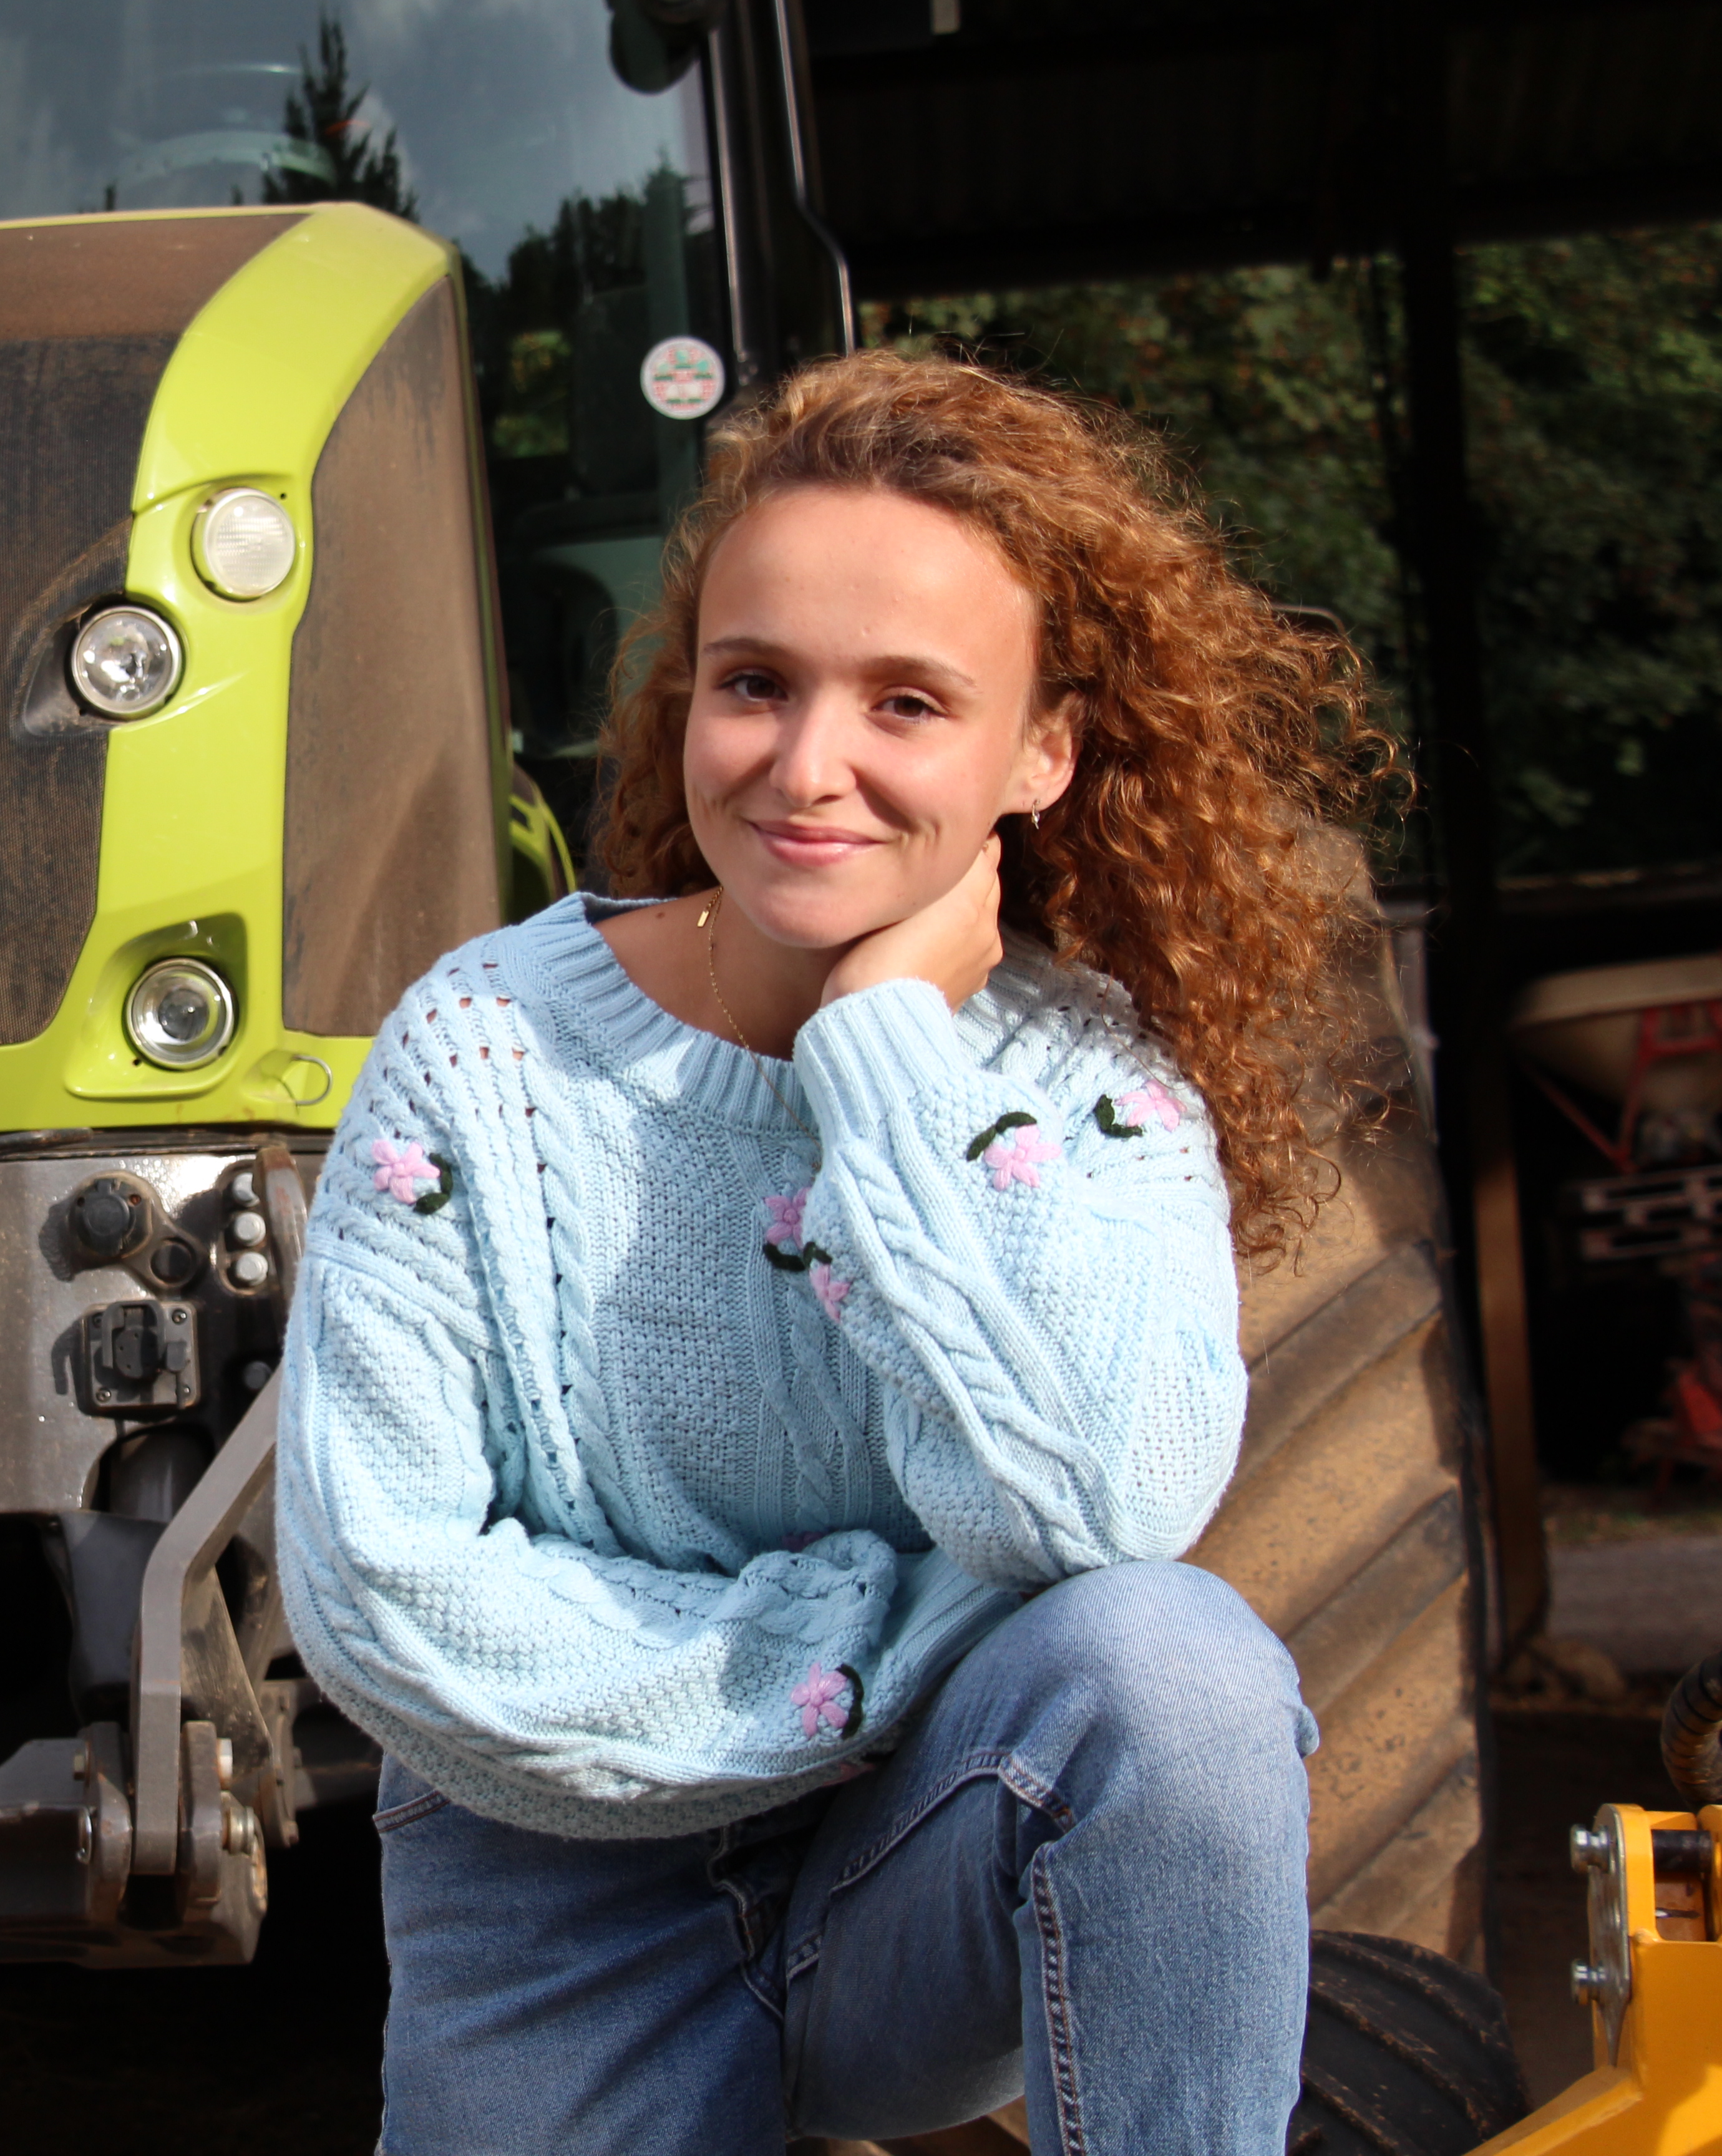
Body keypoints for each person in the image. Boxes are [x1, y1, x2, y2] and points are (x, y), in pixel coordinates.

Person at [276, 348, 1402, 2155]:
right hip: (564, 1910)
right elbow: (385, 1591)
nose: (811, 767)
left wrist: (882, 1051)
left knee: (1173, 1672)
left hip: (931, 1872)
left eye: (908, 704)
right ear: (688, 701)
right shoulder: (486, 1052)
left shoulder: (1088, 1085)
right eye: (757, 685)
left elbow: (1104, 1517)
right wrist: (865, 1652)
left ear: (1043, 750)